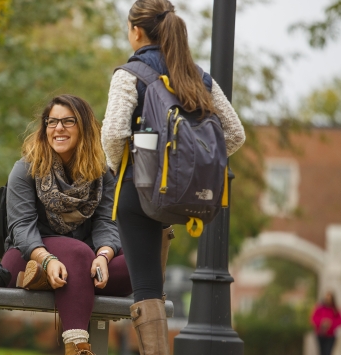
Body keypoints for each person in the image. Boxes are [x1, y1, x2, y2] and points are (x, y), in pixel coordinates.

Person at [101, 1, 246, 354]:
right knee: (157, 283)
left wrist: (123, 168)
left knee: (148, 288)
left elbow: (113, 134)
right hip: (186, 196)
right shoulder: (198, 77)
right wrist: (191, 168)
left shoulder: (130, 74)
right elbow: (235, 134)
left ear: (136, 30)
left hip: (140, 194)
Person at [1, 94, 132, 355]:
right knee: (78, 253)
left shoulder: (101, 173)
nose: (58, 128)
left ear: (83, 126)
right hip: (28, 257)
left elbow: (107, 222)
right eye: (52, 122)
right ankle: (77, 346)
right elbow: (22, 229)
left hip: (83, 260)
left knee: (132, 264)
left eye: (68, 121)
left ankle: (63, 282)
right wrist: (47, 261)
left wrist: (104, 256)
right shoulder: (27, 168)